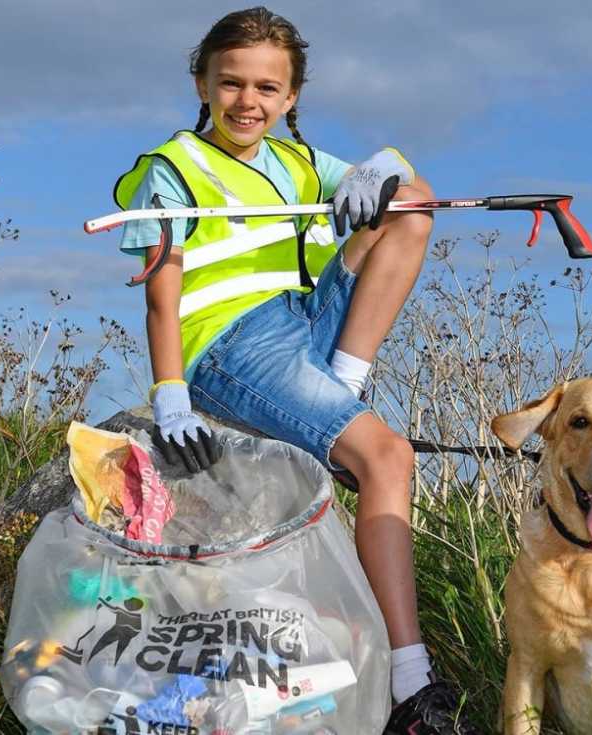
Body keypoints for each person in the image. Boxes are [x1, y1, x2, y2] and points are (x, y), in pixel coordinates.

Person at [113, 8, 478, 733]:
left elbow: (409, 191)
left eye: (267, 88)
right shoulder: (174, 167)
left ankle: (342, 381)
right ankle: (412, 686)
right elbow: (163, 296)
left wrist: (389, 163)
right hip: (233, 342)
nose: (248, 101)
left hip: (301, 322)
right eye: (231, 83)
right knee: (386, 456)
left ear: (291, 98)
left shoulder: (299, 164)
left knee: (408, 208)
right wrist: (170, 395)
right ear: (202, 83)